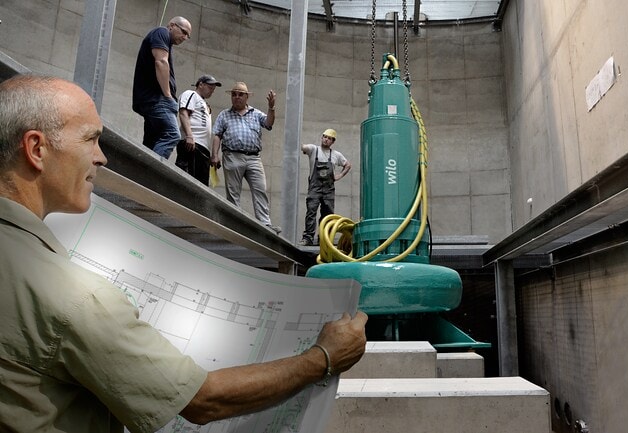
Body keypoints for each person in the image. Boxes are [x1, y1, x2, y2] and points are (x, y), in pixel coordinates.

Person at [0, 74, 368, 432]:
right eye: (90, 140)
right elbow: (202, 400)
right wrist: (323, 357)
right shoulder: (79, 301)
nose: (102, 158)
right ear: (36, 149)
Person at [211, 82, 281, 234]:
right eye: (234, 94)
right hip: (232, 156)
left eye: (240, 94)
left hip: (253, 158)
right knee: (233, 193)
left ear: (247, 97)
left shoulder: (256, 113)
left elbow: (269, 123)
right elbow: (217, 135)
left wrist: (271, 107)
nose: (236, 97)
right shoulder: (224, 114)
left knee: (260, 189)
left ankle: (265, 225)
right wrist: (214, 155)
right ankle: (235, 225)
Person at [132, 16, 192, 158]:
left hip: (153, 100)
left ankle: (140, 175)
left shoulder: (164, 39)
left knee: (151, 143)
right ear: (172, 25)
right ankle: (151, 176)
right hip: (157, 99)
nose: (184, 37)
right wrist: (167, 95)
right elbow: (161, 62)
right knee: (172, 135)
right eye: (183, 32)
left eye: (187, 36)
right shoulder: (162, 32)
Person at [300, 129, 351, 246]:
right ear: (322, 137)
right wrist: (302, 147)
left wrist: (339, 176)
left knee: (327, 215)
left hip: (328, 190)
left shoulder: (336, 155)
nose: (326, 139)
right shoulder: (313, 150)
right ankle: (307, 238)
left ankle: (324, 239)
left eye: (329, 138)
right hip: (314, 188)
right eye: (324, 137)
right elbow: (303, 147)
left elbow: (347, 165)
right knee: (311, 213)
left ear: (333, 141)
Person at [176, 74, 221, 185]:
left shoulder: (205, 104)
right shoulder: (191, 94)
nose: (212, 91)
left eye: (213, 89)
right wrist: (189, 136)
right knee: (186, 180)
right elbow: (183, 113)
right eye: (210, 87)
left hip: (203, 149)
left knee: (201, 184)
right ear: (201, 84)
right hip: (192, 144)